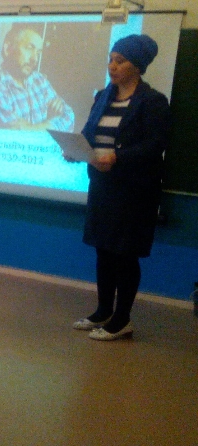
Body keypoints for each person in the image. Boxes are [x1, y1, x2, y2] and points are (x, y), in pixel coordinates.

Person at [71, 34, 170, 341]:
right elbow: (90, 133)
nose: (112, 66)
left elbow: (155, 145)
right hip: (103, 185)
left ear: (137, 66)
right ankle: (103, 311)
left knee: (125, 254)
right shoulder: (103, 96)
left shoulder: (152, 101)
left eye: (120, 61)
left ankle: (122, 319)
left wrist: (118, 157)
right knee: (104, 250)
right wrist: (77, 149)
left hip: (134, 191)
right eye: (111, 59)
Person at [0, 24, 74, 131]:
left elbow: (69, 116)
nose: (35, 59)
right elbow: (21, 136)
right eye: (30, 48)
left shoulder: (40, 80)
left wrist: (33, 128)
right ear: (8, 49)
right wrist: (51, 120)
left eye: (38, 52)